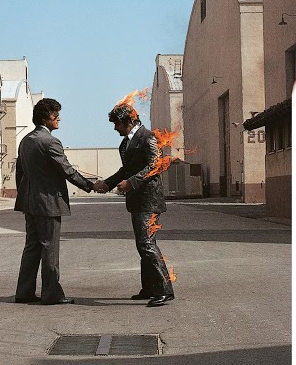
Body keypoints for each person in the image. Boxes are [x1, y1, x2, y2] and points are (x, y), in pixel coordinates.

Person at [13, 98, 98, 305]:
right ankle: (51, 294)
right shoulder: (50, 142)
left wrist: (25, 195)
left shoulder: (25, 141)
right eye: (55, 115)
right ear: (45, 118)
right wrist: (91, 185)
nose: (59, 119)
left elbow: (20, 173)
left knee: (32, 247)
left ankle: (24, 292)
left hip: (30, 202)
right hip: (48, 203)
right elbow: (67, 170)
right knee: (49, 247)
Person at [93, 104, 176, 307]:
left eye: (117, 124)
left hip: (149, 200)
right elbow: (125, 169)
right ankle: (149, 288)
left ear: (129, 121)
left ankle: (164, 290)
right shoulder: (125, 144)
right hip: (137, 201)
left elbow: (156, 166)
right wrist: (108, 183)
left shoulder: (149, 138)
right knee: (143, 245)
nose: (115, 128)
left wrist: (131, 183)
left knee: (147, 244)